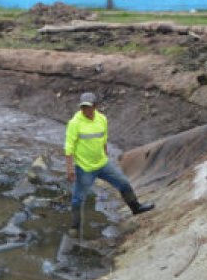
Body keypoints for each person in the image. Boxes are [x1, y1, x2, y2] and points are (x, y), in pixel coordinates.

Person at [64, 92, 154, 238]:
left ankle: (136, 207)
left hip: (103, 164)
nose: (85, 110)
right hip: (85, 168)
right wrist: (69, 169)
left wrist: (105, 155)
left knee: (123, 183)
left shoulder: (102, 119)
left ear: (95, 106)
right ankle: (75, 227)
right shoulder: (74, 123)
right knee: (78, 198)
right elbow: (69, 147)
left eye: (88, 107)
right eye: (83, 107)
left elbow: (103, 139)